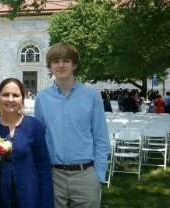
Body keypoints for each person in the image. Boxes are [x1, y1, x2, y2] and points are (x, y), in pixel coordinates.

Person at [35, 42, 110, 208]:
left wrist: (98, 175)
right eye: (56, 61)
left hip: (85, 176)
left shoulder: (92, 96)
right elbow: (39, 139)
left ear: (74, 64)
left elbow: (101, 138)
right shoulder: (42, 98)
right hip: (54, 176)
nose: (61, 65)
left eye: (66, 61)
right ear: (50, 67)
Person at [0, 78, 54, 208]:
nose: (10, 99)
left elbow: (43, 166)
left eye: (15, 95)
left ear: (22, 98)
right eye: (5, 94)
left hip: (29, 195)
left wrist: (45, 203)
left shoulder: (33, 126)